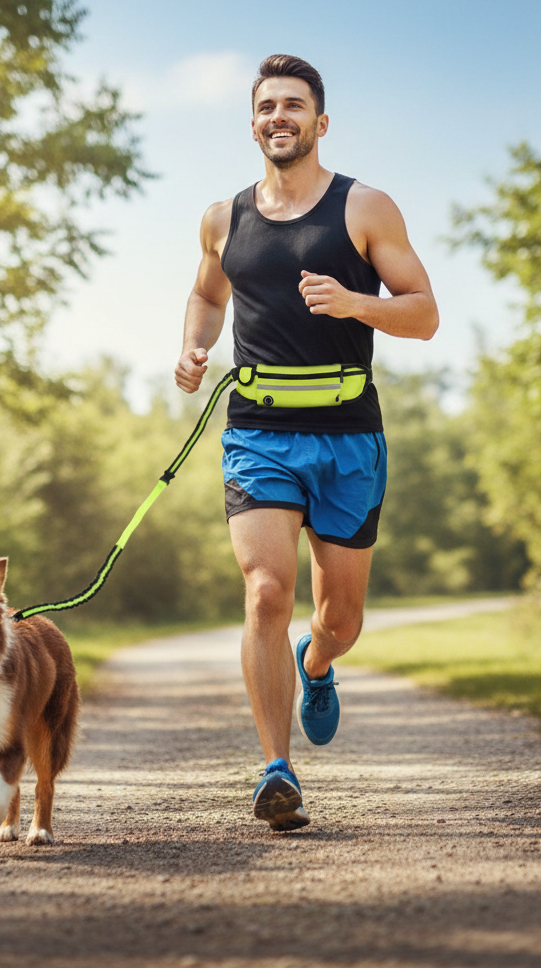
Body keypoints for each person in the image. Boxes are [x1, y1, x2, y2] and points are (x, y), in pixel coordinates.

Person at [174, 54, 438, 831]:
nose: (278, 117)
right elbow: (205, 292)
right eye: (266, 107)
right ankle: (275, 769)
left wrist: (356, 302)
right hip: (259, 432)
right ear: (252, 122)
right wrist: (195, 345)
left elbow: (423, 313)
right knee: (264, 593)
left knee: (341, 619)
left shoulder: (365, 207)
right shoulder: (223, 218)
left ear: (320, 123)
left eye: (293, 105)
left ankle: (316, 664)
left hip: (349, 435)